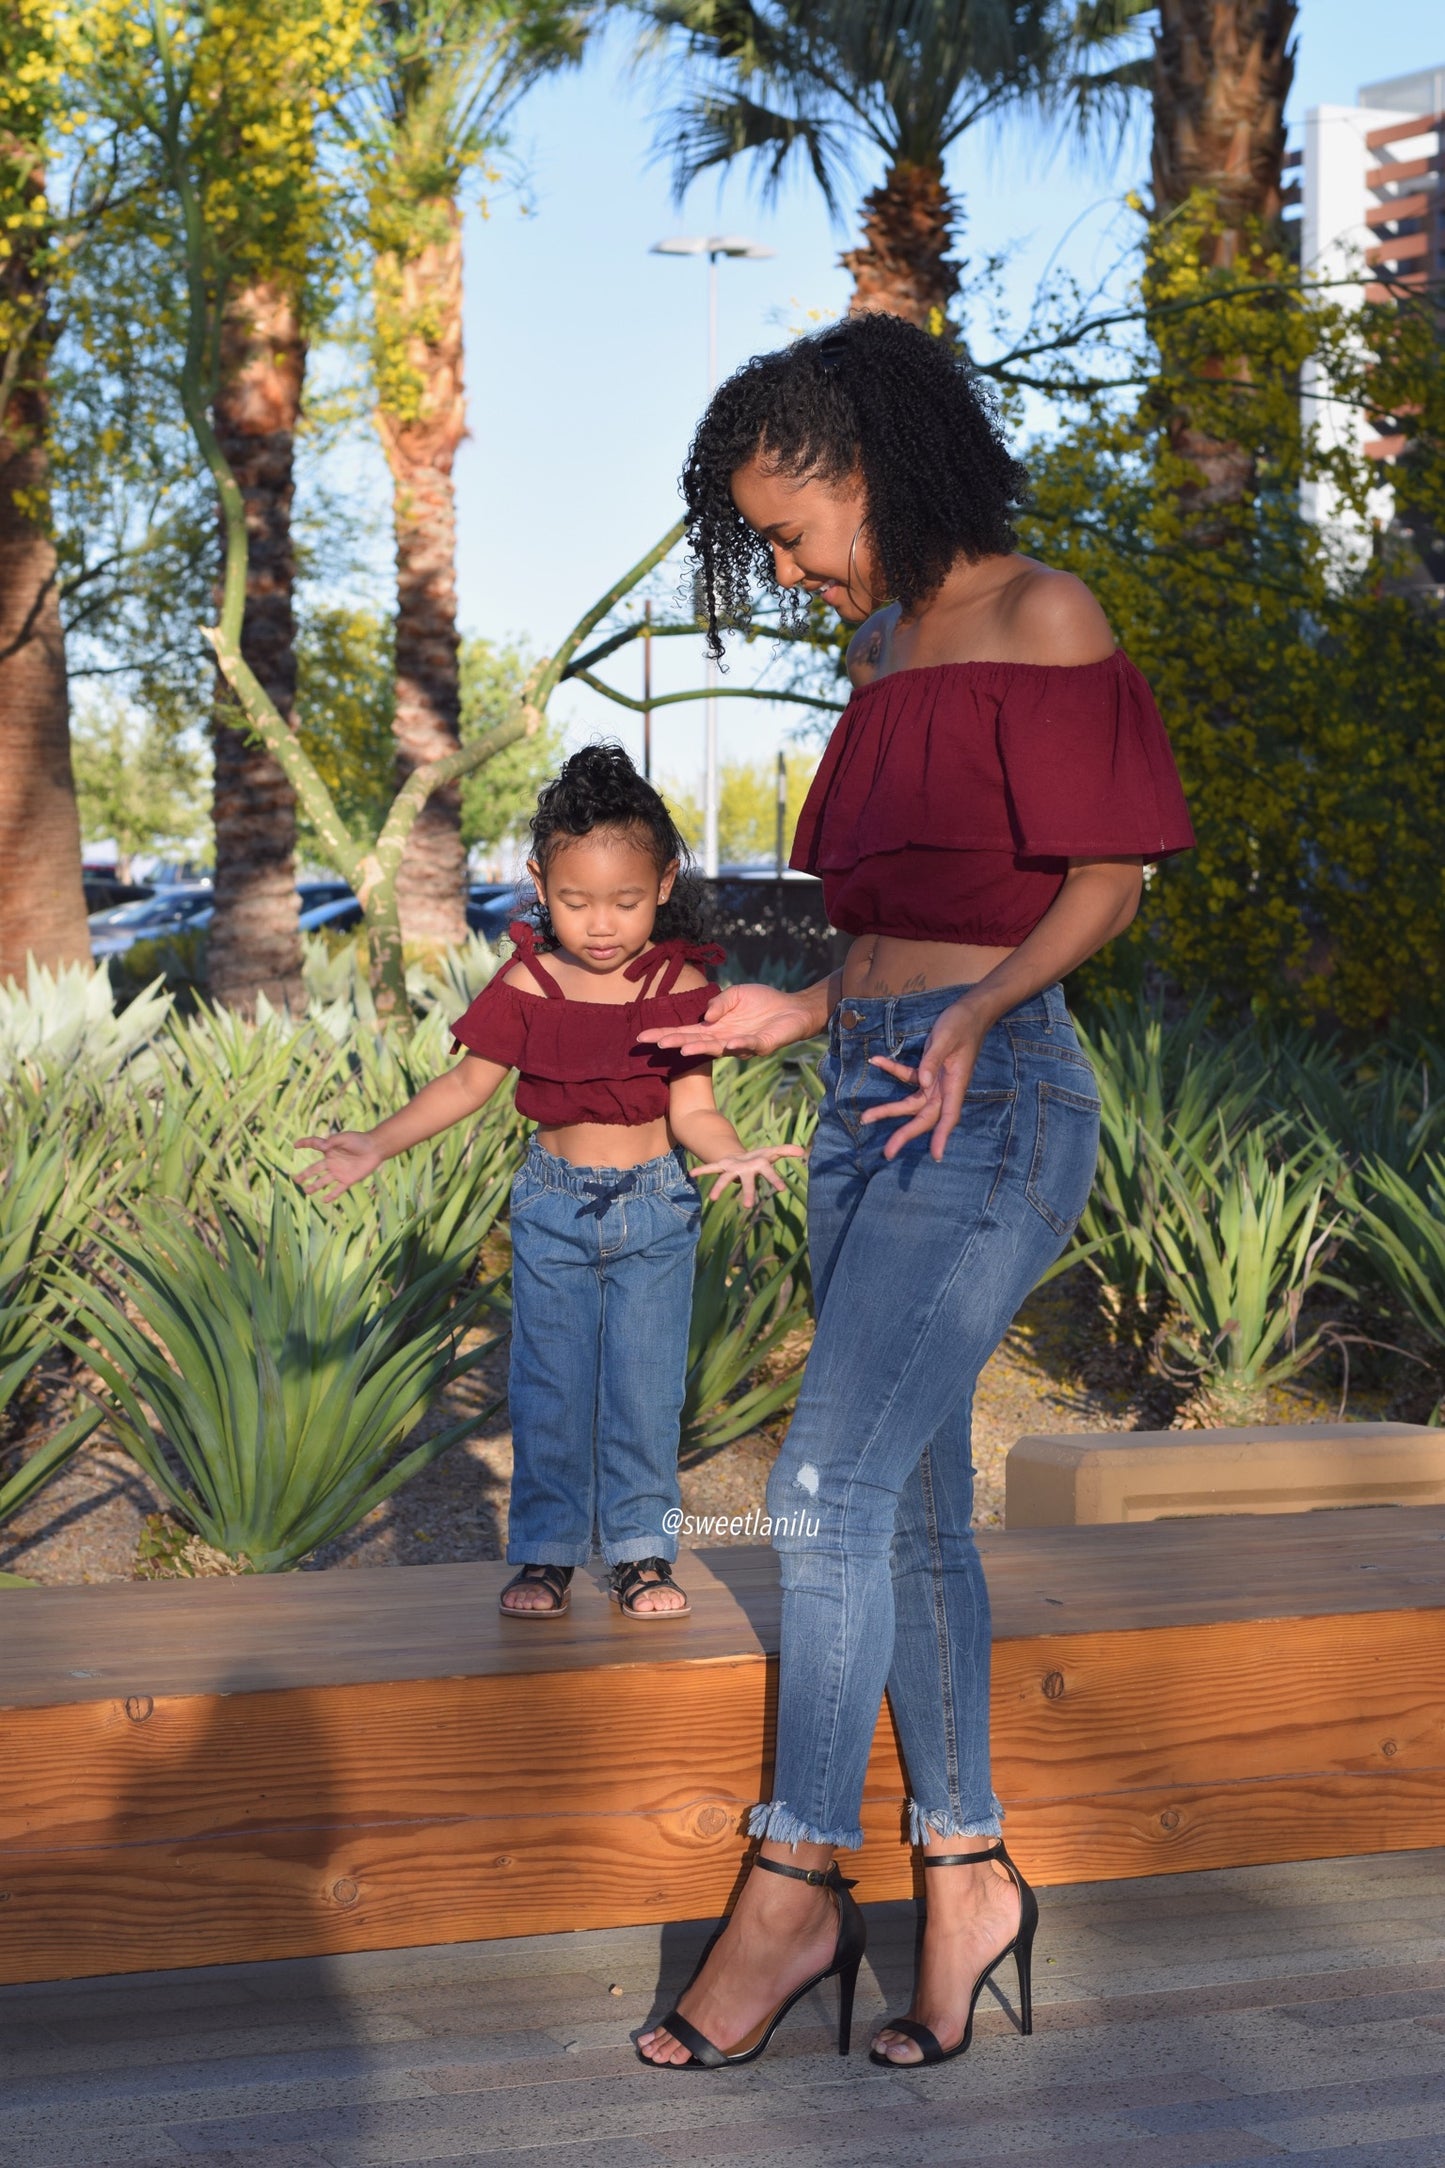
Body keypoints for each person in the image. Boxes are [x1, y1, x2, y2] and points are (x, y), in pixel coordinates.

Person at [635, 313, 1194, 2068]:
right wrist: (798, 1005)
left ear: (872, 459)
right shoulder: (884, 646)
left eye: (792, 529)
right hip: (867, 1092)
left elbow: (1106, 879)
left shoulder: (1046, 614)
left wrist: (977, 1007)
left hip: (998, 1096)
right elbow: (889, 910)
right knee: (917, 1510)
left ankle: (796, 1878)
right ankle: (966, 1874)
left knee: (820, 1487)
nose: (789, 569)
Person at [297, 745, 802, 1621]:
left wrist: (727, 1151)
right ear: (537, 881)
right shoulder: (525, 982)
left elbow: (692, 1109)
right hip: (551, 1204)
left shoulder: (681, 984)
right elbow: (465, 1086)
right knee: (550, 1390)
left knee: (645, 1393)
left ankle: (642, 1555)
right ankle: (545, 1554)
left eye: (625, 901)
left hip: (655, 1206)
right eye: (574, 901)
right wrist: (376, 1145)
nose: (600, 924)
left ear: (665, 882)